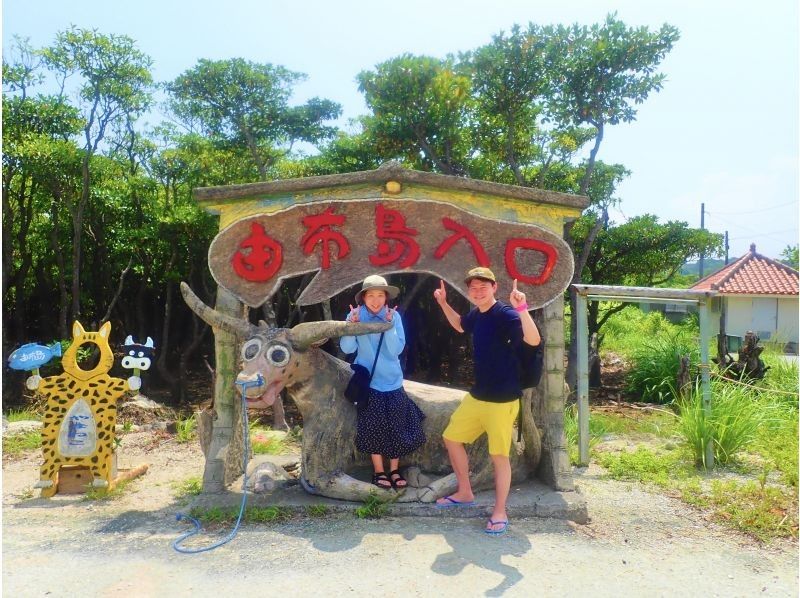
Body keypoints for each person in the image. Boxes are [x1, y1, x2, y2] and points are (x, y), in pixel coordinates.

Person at [432, 266, 541, 535]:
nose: (478, 292)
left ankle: (500, 511)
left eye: (483, 287)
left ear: (494, 288)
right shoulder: (477, 315)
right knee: (451, 437)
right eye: (473, 288)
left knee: (499, 456)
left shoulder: (505, 314)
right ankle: (465, 492)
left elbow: (533, 339)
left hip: (503, 400)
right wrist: (444, 303)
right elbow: (460, 325)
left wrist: (522, 308)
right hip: (479, 395)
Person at [341, 274, 426, 490]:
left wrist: (388, 325)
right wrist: (350, 327)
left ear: (386, 297)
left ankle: (394, 470)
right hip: (369, 384)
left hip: (393, 381)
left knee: (397, 427)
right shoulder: (355, 315)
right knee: (373, 428)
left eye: (380, 295)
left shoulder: (393, 317)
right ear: (364, 297)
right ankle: (379, 472)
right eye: (371, 295)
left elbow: (396, 350)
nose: (376, 300)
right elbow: (347, 349)